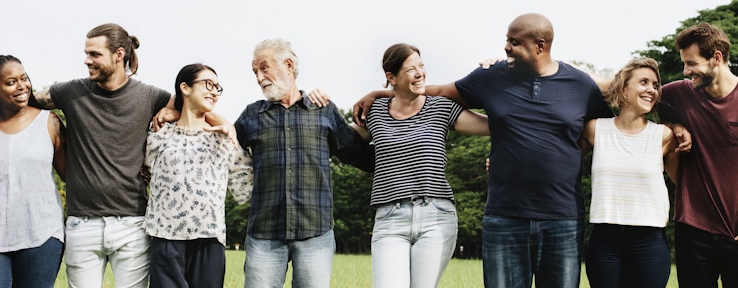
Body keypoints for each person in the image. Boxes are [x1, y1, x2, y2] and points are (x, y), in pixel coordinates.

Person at [342, 13, 614, 288]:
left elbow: (603, 130)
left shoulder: (580, 85)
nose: (506, 47)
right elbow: (440, 91)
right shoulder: (492, 76)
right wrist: (383, 93)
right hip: (504, 216)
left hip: (562, 217)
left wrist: (568, 157)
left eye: (515, 42)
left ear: (540, 46)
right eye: (506, 40)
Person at [29, 23, 177, 287]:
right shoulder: (70, 92)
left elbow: (191, 105)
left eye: (95, 54)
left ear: (119, 54)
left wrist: (171, 113)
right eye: (86, 53)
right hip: (81, 223)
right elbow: (26, 101)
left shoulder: (149, 95)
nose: (87, 60)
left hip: (133, 223)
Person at [234, 38, 374, 288]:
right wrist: (174, 110)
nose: (258, 77)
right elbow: (219, 151)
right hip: (264, 234)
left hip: (315, 233)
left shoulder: (324, 110)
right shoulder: (251, 115)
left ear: (288, 64)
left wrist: (404, 155)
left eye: (264, 68)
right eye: (255, 71)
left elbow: (358, 153)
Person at [348, 43, 489, 288]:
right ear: (391, 77)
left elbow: (493, 126)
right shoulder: (375, 112)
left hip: (436, 216)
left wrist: (501, 77)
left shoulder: (441, 107)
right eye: (410, 69)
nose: (420, 73)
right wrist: (320, 104)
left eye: (421, 66)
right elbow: (340, 140)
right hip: (390, 219)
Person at [654, 22, 738, 288]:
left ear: (716, 58)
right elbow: (633, 95)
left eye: (691, 63)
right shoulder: (675, 94)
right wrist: (674, 125)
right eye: (684, 64)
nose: (686, 71)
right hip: (692, 232)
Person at [143, 64, 254, 287]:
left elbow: (247, 188)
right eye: (208, 84)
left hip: (209, 239)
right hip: (166, 238)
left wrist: (226, 126)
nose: (214, 91)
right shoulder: (160, 133)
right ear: (185, 87)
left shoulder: (225, 140)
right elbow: (141, 170)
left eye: (218, 88)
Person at [579, 57, 678, 288]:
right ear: (624, 88)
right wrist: (509, 164)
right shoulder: (595, 130)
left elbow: (687, 183)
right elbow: (557, 162)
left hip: (649, 242)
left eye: (655, 85)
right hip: (604, 241)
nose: (651, 90)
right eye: (643, 82)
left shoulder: (664, 136)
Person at [0, 55, 66, 288]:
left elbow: (73, 175)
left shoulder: (49, 123)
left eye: (24, 79)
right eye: (11, 82)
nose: (22, 87)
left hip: (42, 234)